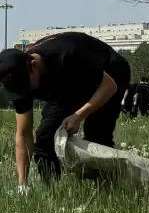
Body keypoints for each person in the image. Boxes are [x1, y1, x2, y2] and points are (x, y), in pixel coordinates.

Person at [0, 33, 131, 192]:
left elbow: (109, 86)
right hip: (65, 86)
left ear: (33, 65)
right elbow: (23, 134)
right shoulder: (19, 82)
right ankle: (52, 192)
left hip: (109, 72)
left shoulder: (67, 55)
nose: (25, 92)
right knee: (45, 138)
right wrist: (22, 184)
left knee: (97, 136)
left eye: (26, 85)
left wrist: (79, 115)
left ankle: (105, 189)